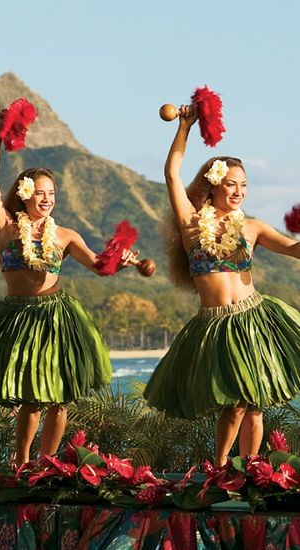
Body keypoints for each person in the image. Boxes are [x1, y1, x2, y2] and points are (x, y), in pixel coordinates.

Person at [0, 115, 137, 466]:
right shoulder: (7, 227)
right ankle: (22, 462)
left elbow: (98, 266)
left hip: (56, 316)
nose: (46, 199)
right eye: (40, 193)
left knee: (59, 398)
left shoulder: (66, 235)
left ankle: (48, 463)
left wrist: (121, 261)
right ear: (25, 193)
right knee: (31, 397)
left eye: (51, 194)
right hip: (17, 316)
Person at [144, 104, 300, 466]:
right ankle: (220, 466)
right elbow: (171, 174)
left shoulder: (253, 227)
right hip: (215, 324)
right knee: (233, 406)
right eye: (231, 184)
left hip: (254, 318)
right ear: (213, 185)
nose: (239, 191)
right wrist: (184, 127)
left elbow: (294, 249)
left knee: (254, 406)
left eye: (244, 185)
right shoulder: (192, 224)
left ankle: (250, 470)